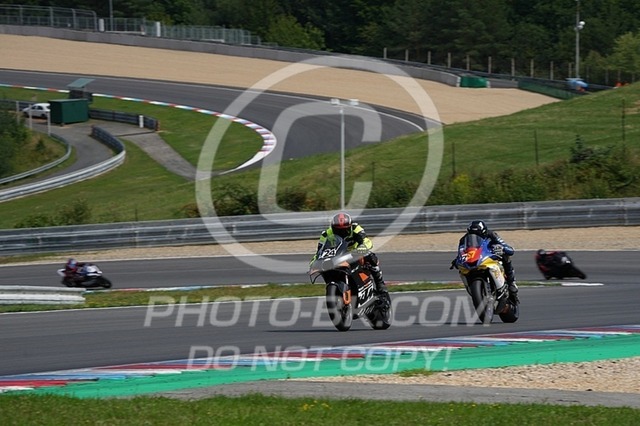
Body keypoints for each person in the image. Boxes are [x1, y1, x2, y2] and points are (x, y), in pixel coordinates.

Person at [311, 212, 389, 298]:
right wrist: (314, 262)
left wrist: (359, 251)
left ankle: (380, 283)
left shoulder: (356, 228)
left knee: (370, 256)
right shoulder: (326, 234)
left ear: (350, 227)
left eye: (345, 230)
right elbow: (319, 252)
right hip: (338, 256)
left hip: (355, 253)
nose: (342, 233)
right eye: (338, 231)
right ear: (333, 228)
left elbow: (367, 242)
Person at [456, 220, 519, 304]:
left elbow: (508, 248)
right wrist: (457, 259)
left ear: (484, 231)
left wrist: (502, 248)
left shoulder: (492, 235)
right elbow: (461, 251)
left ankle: (512, 282)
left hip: (489, 254)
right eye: (472, 234)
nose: (475, 236)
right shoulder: (463, 239)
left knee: (506, 257)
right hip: (475, 258)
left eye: (478, 234)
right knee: (461, 270)